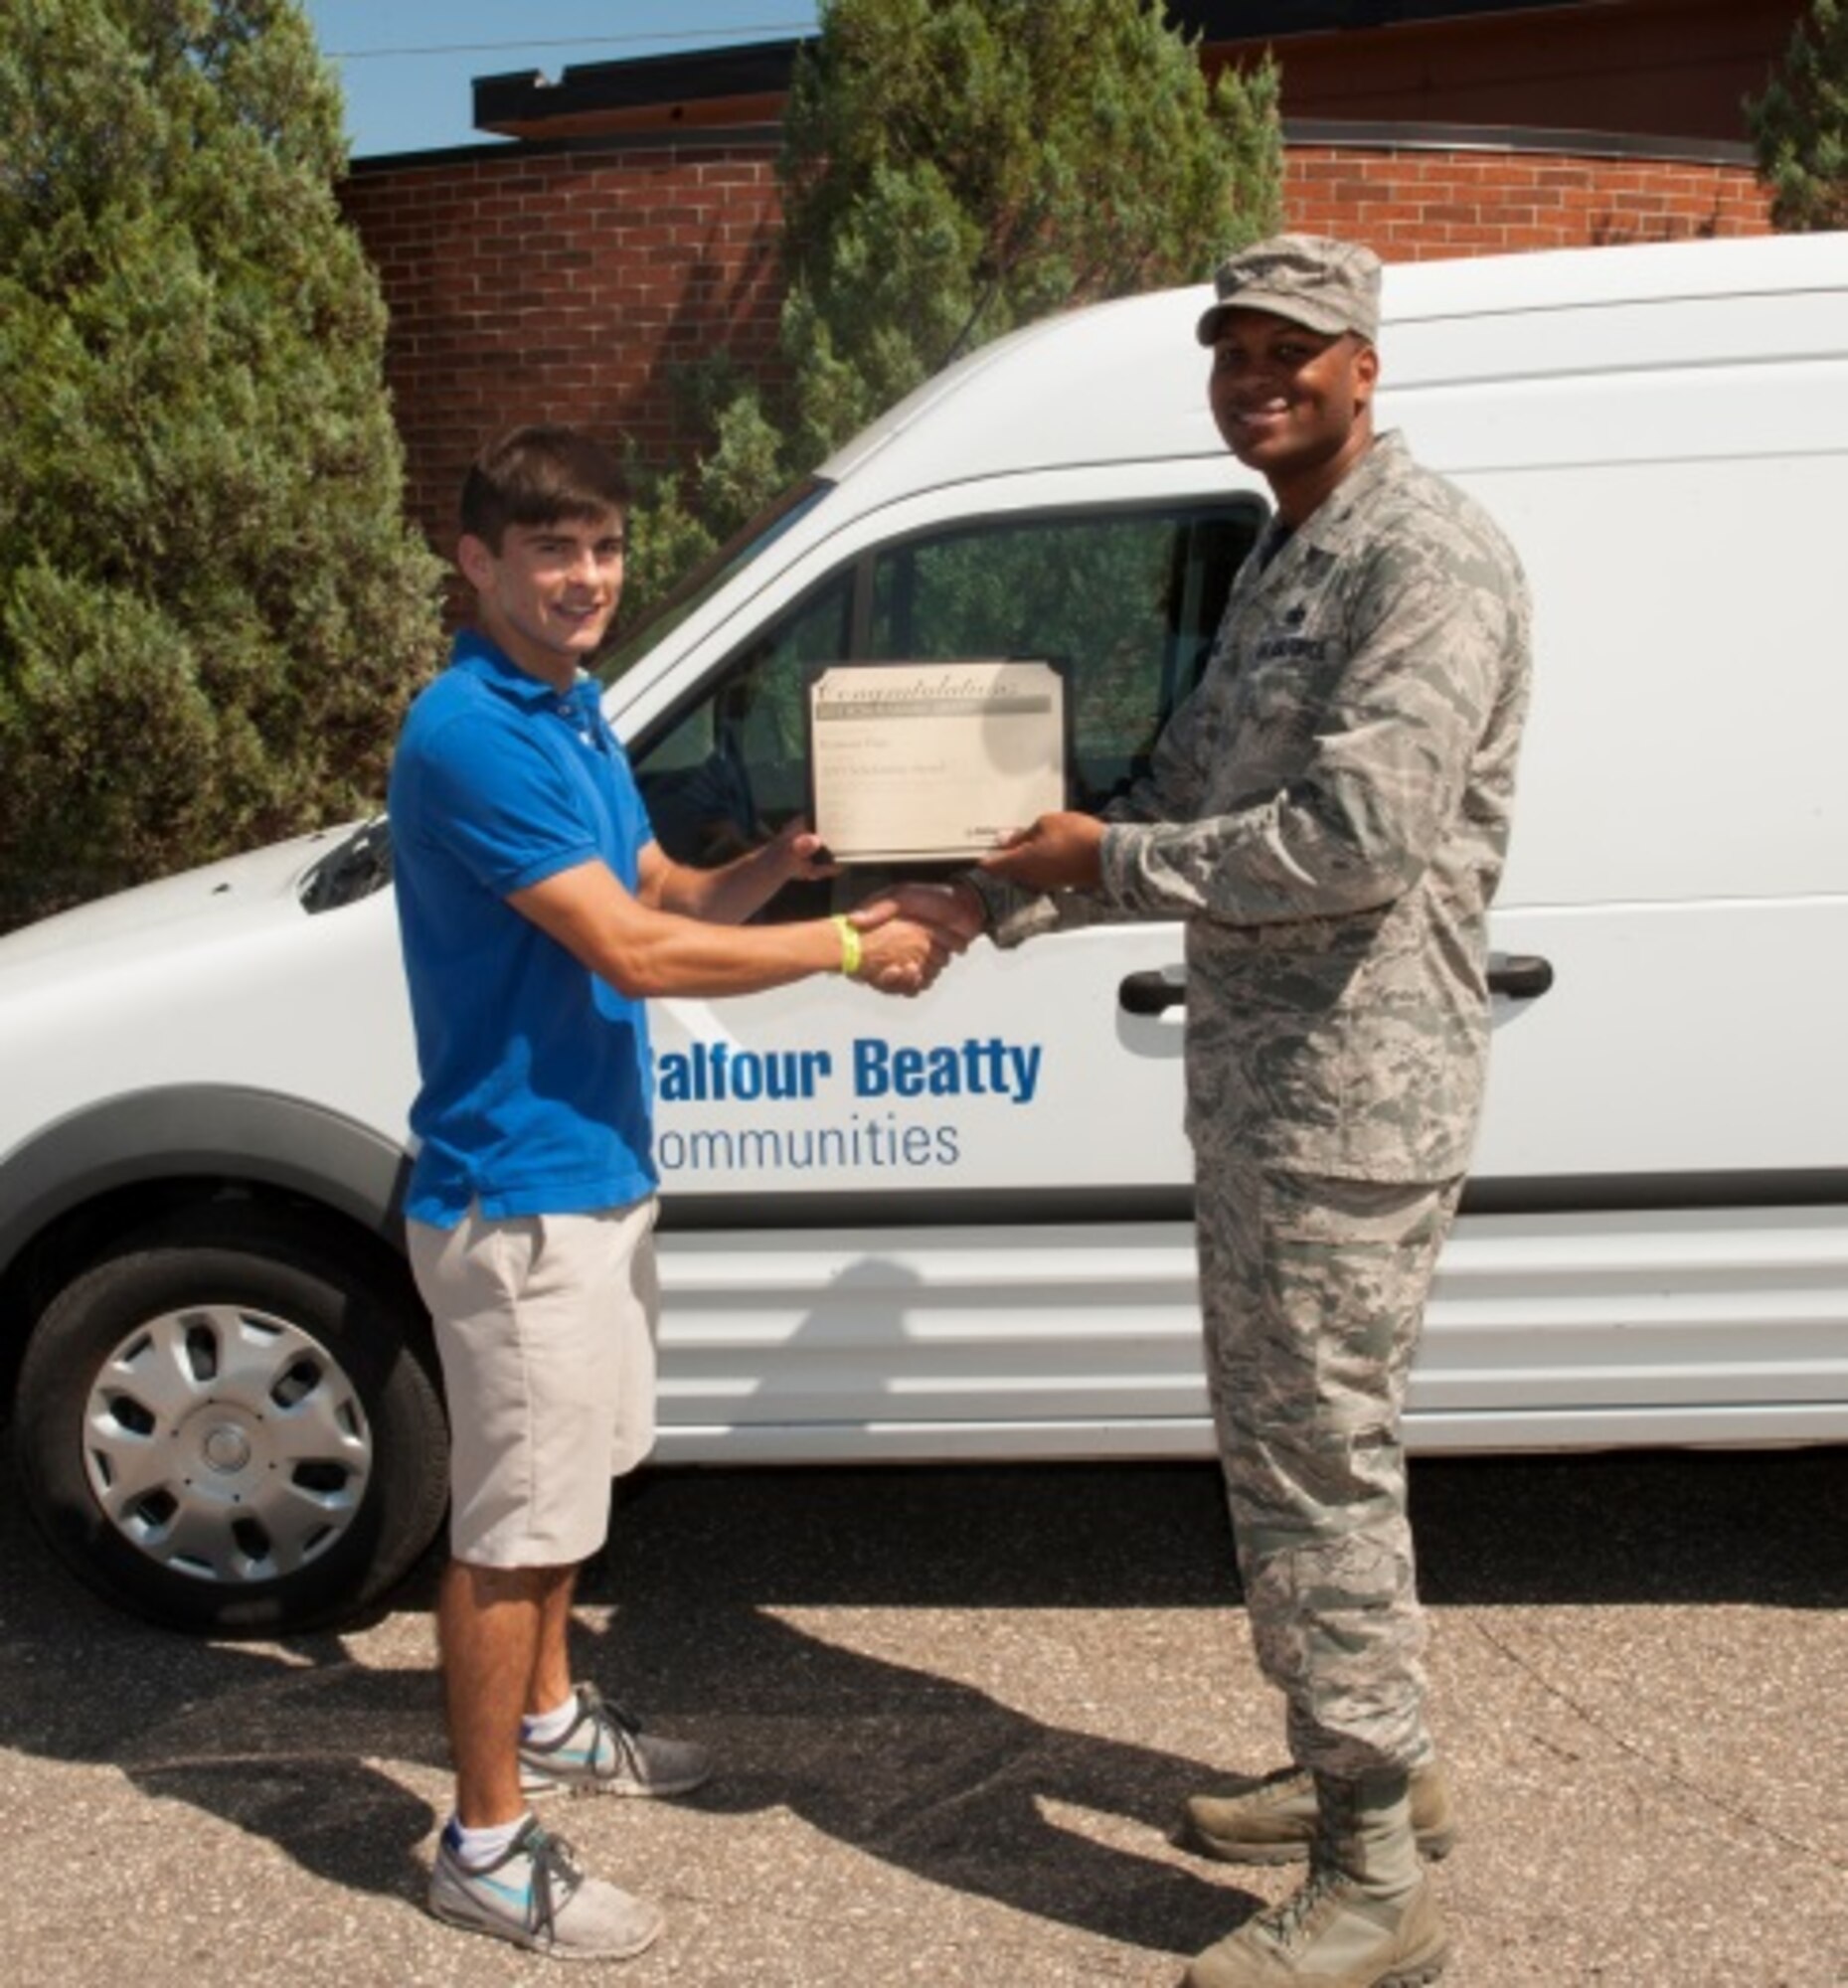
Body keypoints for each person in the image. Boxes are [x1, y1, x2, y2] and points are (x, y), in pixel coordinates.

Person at [900, 236, 1531, 1987]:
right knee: (1304, 1451)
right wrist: (987, 901)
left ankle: (1375, 1871)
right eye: (1232, 348)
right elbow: (1188, 788)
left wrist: (1093, 857)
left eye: (1292, 348)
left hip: (1349, 1103)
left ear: (1363, 363)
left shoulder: (1426, 559)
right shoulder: (1291, 554)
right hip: (1274, 1093)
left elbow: (1351, 844)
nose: (1256, 376)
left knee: (1317, 1461)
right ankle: (1365, 1759)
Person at [389, 424, 952, 1963]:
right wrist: (848, 949)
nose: (587, 579)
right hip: (521, 1198)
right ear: (479, 562)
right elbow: (631, 959)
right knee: (511, 1530)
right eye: (552, 550)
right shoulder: (472, 733)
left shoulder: (567, 713)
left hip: (595, 1175)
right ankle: (483, 1841)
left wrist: (788, 861)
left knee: (574, 1489)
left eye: (607, 548)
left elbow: (665, 898)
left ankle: (555, 1717)